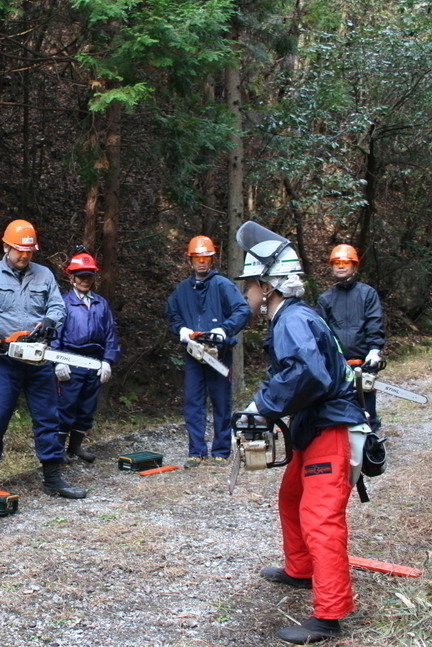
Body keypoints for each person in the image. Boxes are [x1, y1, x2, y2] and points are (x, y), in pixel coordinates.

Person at [234, 221, 367, 645]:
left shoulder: (292, 319)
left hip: (329, 427)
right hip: (312, 426)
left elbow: (306, 373)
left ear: (268, 285)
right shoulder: (290, 317)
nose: (246, 294)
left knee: (321, 519)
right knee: (291, 496)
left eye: (250, 285)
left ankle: (329, 613)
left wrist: (262, 406)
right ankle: (300, 569)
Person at [0, 219, 85, 498]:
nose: (24, 256)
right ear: (6, 246)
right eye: (19, 251)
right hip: (5, 361)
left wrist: (51, 321)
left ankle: (53, 477)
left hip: (39, 360)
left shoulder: (44, 275)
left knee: (48, 418)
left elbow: (57, 306)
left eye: (28, 252)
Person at [165, 236, 250, 468]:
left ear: (212, 259)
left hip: (219, 352)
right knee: (193, 402)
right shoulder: (183, 289)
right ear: (190, 260)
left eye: (205, 258)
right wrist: (181, 329)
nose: (201, 262)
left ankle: (221, 450)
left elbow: (242, 310)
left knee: (221, 401)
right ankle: (196, 451)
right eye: (197, 258)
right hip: (194, 352)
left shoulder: (223, 285)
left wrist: (224, 329)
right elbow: (172, 313)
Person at [52, 248, 120, 463]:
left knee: (87, 407)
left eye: (89, 276)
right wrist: (57, 360)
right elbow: (55, 334)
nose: (85, 280)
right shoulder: (63, 303)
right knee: (66, 405)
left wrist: (107, 361)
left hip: (94, 360)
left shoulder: (101, 303)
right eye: (81, 276)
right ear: (71, 277)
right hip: (71, 359)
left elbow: (110, 333)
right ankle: (59, 450)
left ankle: (76, 447)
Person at [315, 244, 386, 431]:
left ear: (354, 266)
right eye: (337, 262)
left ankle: (370, 443)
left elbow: (374, 322)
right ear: (331, 266)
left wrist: (374, 349)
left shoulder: (367, 294)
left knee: (366, 407)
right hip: (337, 364)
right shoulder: (325, 299)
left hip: (363, 361)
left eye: (346, 262)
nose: (341, 266)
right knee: (337, 409)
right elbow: (321, 332)